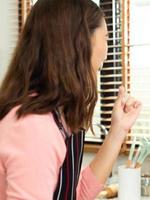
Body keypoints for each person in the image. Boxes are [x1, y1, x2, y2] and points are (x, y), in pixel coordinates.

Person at [0, 0, 141, 199]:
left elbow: (76, 193)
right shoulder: (33, 126)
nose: (107, 53)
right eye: (106, 38)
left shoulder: (57, 115)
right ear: (80, 43)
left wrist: (118, 130)